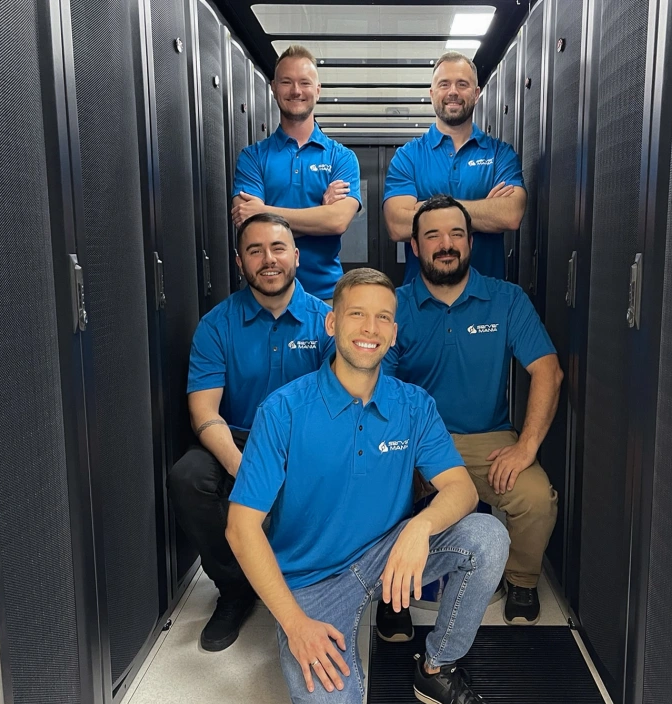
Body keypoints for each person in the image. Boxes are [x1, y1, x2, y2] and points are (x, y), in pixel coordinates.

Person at [225, 268, 510, 704]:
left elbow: (462, 489)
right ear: (332, 323)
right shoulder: (283, 410)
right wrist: (295, 624)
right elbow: (241, 528)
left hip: (387, 555)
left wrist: (419, 528)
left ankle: (437, 668)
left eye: (382, 318)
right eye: (356, 314)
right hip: (312, 580)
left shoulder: (414, 405)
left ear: (394, 333)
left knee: (488, 535)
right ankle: (315, 636)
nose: (370, 328)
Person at [382, 195, 563, 630]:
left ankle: (521, 580)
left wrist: (526, 447)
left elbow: (548, 372)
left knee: (536, 498)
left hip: (488, 438)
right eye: (433, 235)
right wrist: (399, 450)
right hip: (417, 437)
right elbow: (377, 387)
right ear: (415, 247)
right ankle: (393, 590)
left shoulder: (506, 299)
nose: (446, 244)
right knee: (376, 491)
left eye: (456, 234)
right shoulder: (394, 306)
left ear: (470, 242)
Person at [168, 213, 334, 652]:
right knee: (187, 478)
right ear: (240, 262)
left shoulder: (327, 323)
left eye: (277, 248)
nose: (268, 259)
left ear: (296, 256)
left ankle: (307, 577)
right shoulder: (216, 325)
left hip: (302, 439)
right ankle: (235, 587)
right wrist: (242, 468)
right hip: (238, 437)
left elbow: (336, 407)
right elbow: (204, 412)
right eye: (255, 251)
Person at [231, 45, 361, 302]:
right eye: (286, 82)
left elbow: (337, 221)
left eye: (304, 82)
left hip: (326, 296)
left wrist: (265, 211)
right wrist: (319, 216)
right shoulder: (252, 157)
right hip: (265, 297)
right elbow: (251, 227)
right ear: (273, 88)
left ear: (318, 90)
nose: (296, 91)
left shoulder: (341, 157)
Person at [382, 51, 526, 284]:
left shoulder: (500, 154)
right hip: (421, 299)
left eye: (462, 84)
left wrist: (425, 209)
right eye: (444, 84)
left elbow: (510, 215)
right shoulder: (408, 156)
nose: (453, 92)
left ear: (476, 94)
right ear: (432, 94)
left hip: (486, 296)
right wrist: (485, 211)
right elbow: (397, 225)